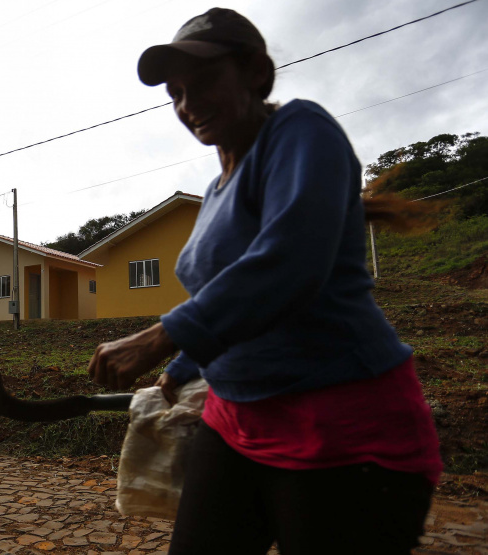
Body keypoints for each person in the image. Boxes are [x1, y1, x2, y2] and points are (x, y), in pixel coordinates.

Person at [87, 8, 442, 555]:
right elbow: (222, 296)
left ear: (256, 72)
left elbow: (289, 263)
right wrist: (180, 369)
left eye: (203, 81)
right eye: (175, 93)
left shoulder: (300, 130)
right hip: (234, 422)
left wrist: (162, 337)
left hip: (340, 427)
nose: (187, 104)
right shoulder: (215, 192)